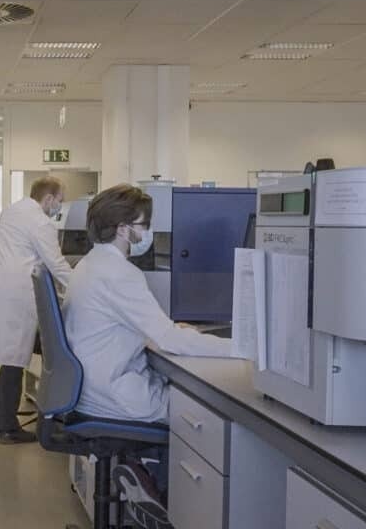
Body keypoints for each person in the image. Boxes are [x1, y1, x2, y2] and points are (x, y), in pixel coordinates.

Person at [64, 184, 235, 528]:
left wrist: (168, 329)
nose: (147, 233)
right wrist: (239, 348)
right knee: (193, 415)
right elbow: (168, 339)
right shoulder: (120, 274)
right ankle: (160, 504)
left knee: (176, 399)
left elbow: (130, 324)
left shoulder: (90, 265)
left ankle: (140, 478)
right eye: (144, 225)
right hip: (112, 392)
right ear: (123, 229)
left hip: (89, 387)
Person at [0, 176, 74, 444]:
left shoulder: (12, 211)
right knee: (15, 361)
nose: (59, 206)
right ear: (48, 198)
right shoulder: (40, 221)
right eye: (60, 200)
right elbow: (56, 263)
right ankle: (8, 429)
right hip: (19, 294)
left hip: (3, 289)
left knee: (9, 359)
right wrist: (81, 286)